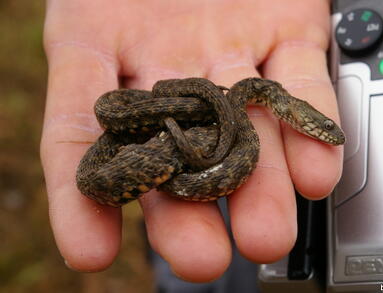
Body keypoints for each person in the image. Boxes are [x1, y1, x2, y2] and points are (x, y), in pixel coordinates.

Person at [40, 0, 343, 290]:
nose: (328, 132)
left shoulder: (247, 116)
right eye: (325, 127)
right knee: (205, 260)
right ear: (294, 114)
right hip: (180, 139)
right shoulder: (236, 111)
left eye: (326, 127)